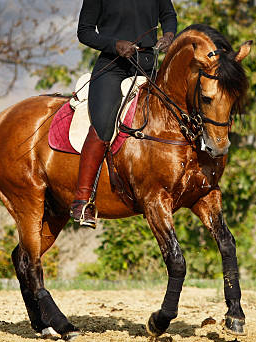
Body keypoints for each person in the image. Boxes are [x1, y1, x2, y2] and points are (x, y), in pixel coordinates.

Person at [71, 0, 177, 227]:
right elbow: (85, 32)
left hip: (149, 64)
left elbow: (168, 15)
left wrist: (168, 35)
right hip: (113, 65)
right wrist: (114, 44)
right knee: (104, 125)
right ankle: (82, 201)